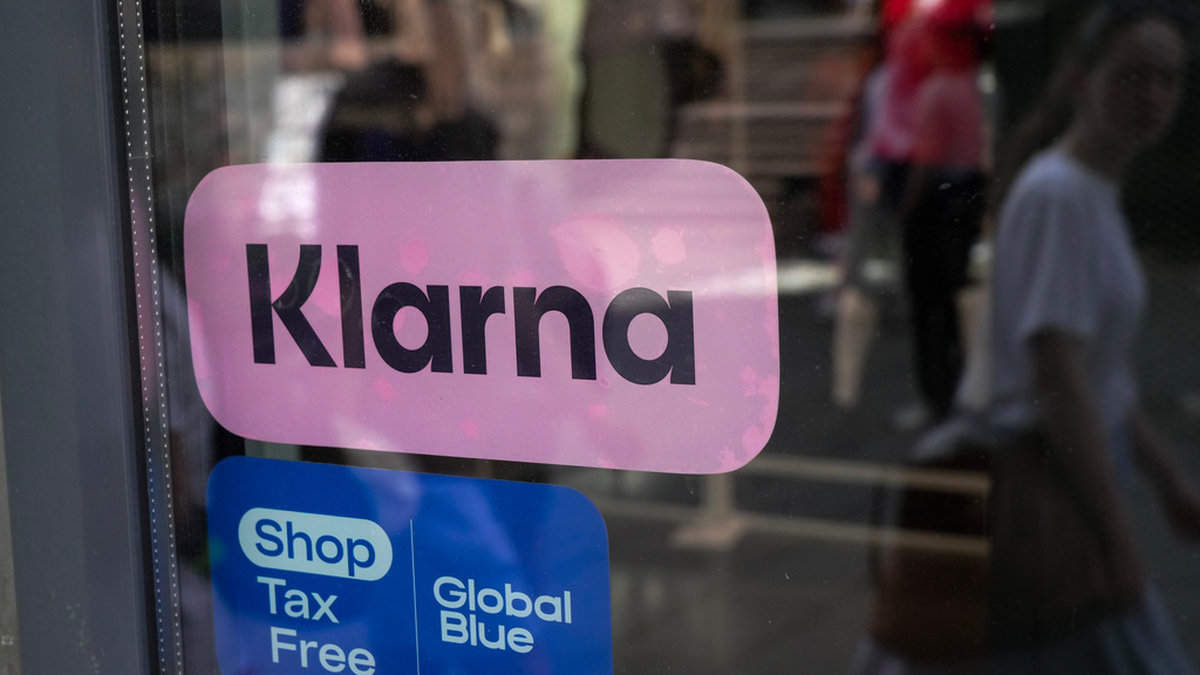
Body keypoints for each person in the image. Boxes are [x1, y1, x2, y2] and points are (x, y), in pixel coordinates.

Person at [988, 2, 1200, 669]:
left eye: (1168, 79)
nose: (1153, 96)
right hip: (1054, 483)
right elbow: (1060, 377)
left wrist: (1166, 478)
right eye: (1132, 75)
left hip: (1076, 476)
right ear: (1082, 80)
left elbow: (1100, 373)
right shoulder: (1060, 197)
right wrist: (1118, 540)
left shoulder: (1090, 191)